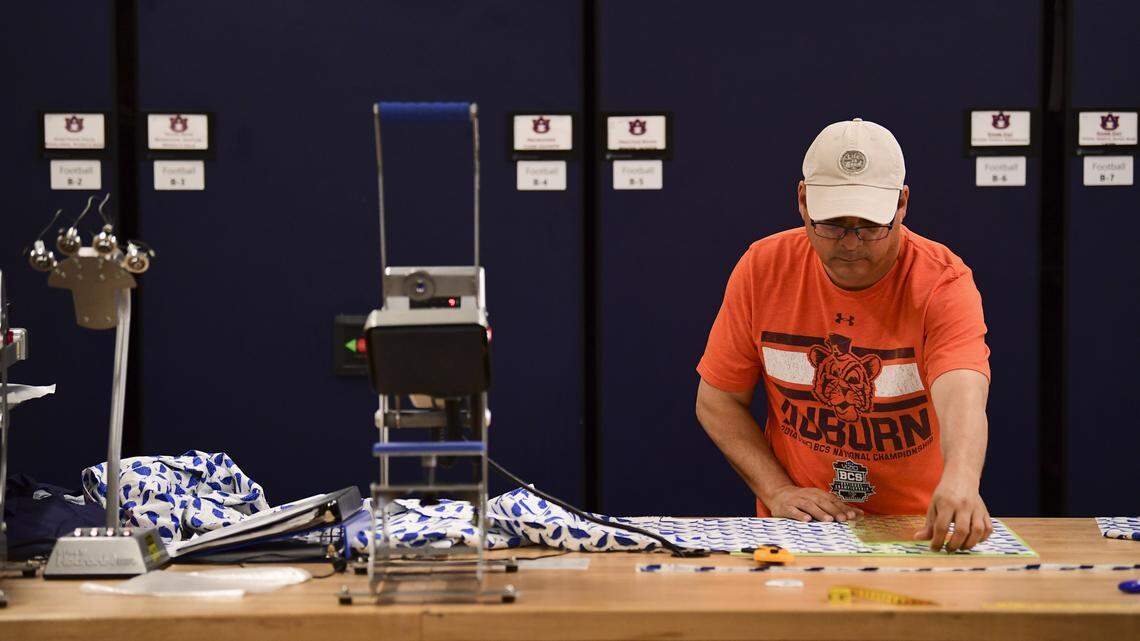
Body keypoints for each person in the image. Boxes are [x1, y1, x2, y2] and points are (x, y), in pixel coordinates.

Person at [695, 118, 993, 551]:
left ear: (902, 204)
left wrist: (963, 479)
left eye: (870, 226)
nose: (851, 244)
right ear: (802, 201)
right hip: (801, 532)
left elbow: (962, 388)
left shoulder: (942, 282)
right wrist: (777, 491)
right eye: (833, 224)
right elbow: (716, 399)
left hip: (919, 528)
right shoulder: (763, 270)